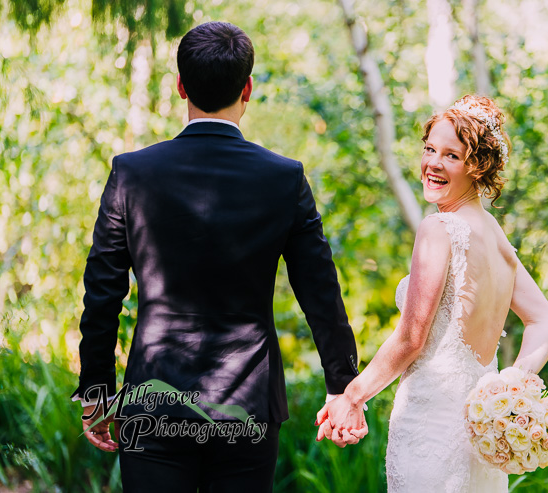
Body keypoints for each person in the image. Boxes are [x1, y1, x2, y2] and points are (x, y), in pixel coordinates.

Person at [71, 21, 362, 492]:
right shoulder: (284, 178)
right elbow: (320, 291)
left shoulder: (132, 174)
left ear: (181, 85)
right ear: (247, 88)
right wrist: (343, 385)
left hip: (155, 403)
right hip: (247, 405)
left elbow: (102, 294)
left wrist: (96, 396)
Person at [315, 95, 548, 491]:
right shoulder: (495, 235)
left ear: (477, 165)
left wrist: (353, 395)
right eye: (430, 149)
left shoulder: (439, 229)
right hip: (478, 438)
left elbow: (413, 337)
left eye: (451, 155)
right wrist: (510, 382)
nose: (432, 163)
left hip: (430, 429)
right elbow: (545, 320)